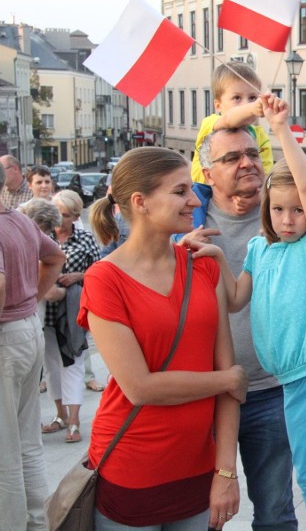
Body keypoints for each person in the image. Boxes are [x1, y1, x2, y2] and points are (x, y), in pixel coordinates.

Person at [199, 97, 306, 530]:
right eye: (279, 209)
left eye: (296, 210)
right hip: (291, 385)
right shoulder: (260, 248)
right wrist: (217, 255)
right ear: (266, 209)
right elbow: (236, 299)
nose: (289, 219)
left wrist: (280, 129)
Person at [81, 147, 246, 529]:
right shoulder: (104, 279)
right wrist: (228, 379)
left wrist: (226, 472)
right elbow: (139, 387)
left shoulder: (202, 264)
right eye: (180, 191)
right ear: (140, 202)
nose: (194, 200)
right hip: (132, 467)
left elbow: (227, 378)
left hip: (198, 469)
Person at [179, 125, 299, 531]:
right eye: (231, 158)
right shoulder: (184, 223)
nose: (247, 162)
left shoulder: (286, 216)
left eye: (252, 153)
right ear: (207, 173)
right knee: (204, 515)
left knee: (276, 514)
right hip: (207, 393)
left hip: (272, 389)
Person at [0, 162, 65, 531]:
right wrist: (32, 301)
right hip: (26, 329)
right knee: (26, 442)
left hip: (7, 336)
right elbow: (55, 256)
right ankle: (36, 524)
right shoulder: (20, 220)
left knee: (5, 449)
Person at [39, 190, 100, 444]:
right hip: (46, 310)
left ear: (75, 215)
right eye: (56, 214)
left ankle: (74, 420)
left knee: (72, 364)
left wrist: (78, 276)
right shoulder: (43, 237)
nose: (58, 220)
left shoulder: (85, 238)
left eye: (64, 215)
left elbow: (99, 272)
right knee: (51, 366)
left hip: (73, 311)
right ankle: (60, 415)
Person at [190, 61, 278, 184]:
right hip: (205, 197)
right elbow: (228, 120)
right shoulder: (211, 124)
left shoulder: (259, 135)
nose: (246, 104)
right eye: (237, 98)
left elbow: (265, 175)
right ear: (218, 105)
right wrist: (253, 107)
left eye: (252, 97)